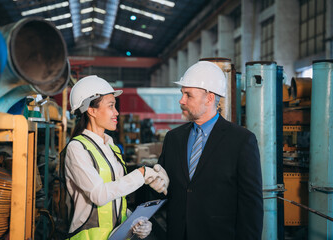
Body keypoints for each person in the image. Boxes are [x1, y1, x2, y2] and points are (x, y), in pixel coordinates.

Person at [155, 61, 263, 239]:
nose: (181, 101)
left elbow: (251, 204)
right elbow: (162, 187)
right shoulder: (174, 138)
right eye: (182, 94)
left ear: (210, 98)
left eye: (188, 95)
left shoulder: (241, 141)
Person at [63, 75, 169, 240]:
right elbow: (99, 195)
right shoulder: (77, 148)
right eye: (111, 106)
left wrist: (135, 221)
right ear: (91, 110)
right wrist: (141, 173)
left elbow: (117, 198)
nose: (117, 112)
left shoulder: (112, 147)